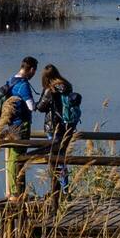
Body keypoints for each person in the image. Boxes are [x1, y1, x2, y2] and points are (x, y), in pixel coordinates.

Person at [0, 57, 39, 201]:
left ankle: (15, 191)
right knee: (18, 158)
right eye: (34, 71)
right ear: (31, 69)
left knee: (13, 157)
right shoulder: (23, 85)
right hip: (21, 125)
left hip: (11, 124)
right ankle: (16, 192)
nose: (34, 74)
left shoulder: (11, 80)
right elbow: (32, 107)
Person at [36, 65, 83, 193]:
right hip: (67, 126)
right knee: (61, 156)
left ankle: (57, 191)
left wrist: (35, 103)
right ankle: (65, 189)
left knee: (55, 158)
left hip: (53, 127)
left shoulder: (50, 90)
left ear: (45, 77)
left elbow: (41, 107)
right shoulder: (67, 86)